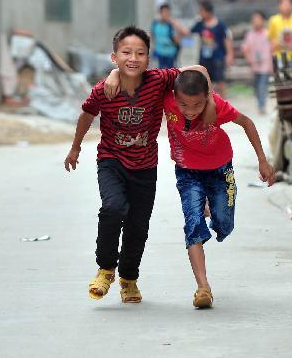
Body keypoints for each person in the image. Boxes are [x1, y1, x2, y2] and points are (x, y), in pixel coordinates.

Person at [63, 25, 212, 304]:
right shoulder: (104, 89)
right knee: (113, 208)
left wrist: (210, 98)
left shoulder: (158, 80)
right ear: (114, 57)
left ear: (149, 58)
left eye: (141, 53)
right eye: (126, 53)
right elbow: (86, 114)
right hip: (111, 161)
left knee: (138, 225)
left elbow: (198, 69)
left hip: (145, 166)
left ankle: (129, 279)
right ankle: (106, 268)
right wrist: (75, 147)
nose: (133, 58)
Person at [164, 69, 276, 308]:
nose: (191, 111)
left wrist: (263, 160)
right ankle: (203, 287)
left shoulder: (218, 107)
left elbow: (247, 123)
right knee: (192, 224)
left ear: (207, 96)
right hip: (187, 171)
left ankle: (209, 205)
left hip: (219, 170)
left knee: (224, 224)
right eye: (184, 104)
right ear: (174, 96)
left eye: (197, 105)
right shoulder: (167, 98)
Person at [189, 1, 233, 98]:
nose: (200, 13)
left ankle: (223, 102)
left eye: (201, 11)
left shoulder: (220, 24)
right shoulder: (200, 24)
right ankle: (208, 101)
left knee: (220, 80)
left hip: (218, 57)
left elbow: (227, 39)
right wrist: (174, 23)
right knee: (204, 80)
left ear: (208, 12)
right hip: (204, 58)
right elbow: (188, 32)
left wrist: (229, 54)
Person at [241, 10, 274, 113]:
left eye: (258, 19)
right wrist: (248, 58)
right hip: (255, 65)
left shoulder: (268, 34)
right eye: (254, 19)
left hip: (265, 64)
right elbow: (245, 48)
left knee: (262, 85)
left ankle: (262, 105)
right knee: (256, 86)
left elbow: (273, 47)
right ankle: (260, 103)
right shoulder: (250, 34)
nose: (256, 22)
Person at [150, 2, 182, 69]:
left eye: (167, 12)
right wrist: (153, 47)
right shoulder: (155, 24)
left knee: (170, 75)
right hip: (158, 54)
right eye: (164, 12)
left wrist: (177, 28)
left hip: (170, 54)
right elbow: (152, 36)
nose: (166, 14)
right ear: (160, 13)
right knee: (158, 74)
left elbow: (177, 41)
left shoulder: (171, 25)